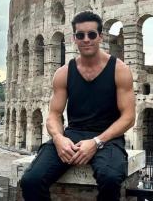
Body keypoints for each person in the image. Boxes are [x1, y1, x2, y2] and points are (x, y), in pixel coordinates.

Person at [20, 11, 136, 201]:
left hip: (108, 138)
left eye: (91, 34)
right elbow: (54, 115)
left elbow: (128, 117)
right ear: (74, 38)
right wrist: (58, 138)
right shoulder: (63, 73)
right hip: (72, 135)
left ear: (100, 36)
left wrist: (97, 142)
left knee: (110, 178)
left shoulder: (120, 70)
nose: (86, 39)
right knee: (31, 180)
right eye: (80, 35)